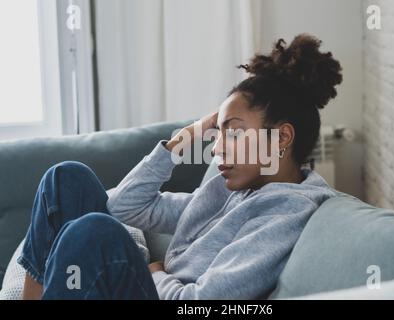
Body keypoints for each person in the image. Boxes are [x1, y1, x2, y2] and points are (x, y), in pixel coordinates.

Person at [18, 34, 343, 300]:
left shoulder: (285, 212)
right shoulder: (233, 189)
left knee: (94, 233)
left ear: (282, 136)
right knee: (66, 178)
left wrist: (156, 275)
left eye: (233, 130)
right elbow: (123, 206)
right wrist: (188, 135)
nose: (216, 148)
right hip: (153, 284)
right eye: (218, 132)